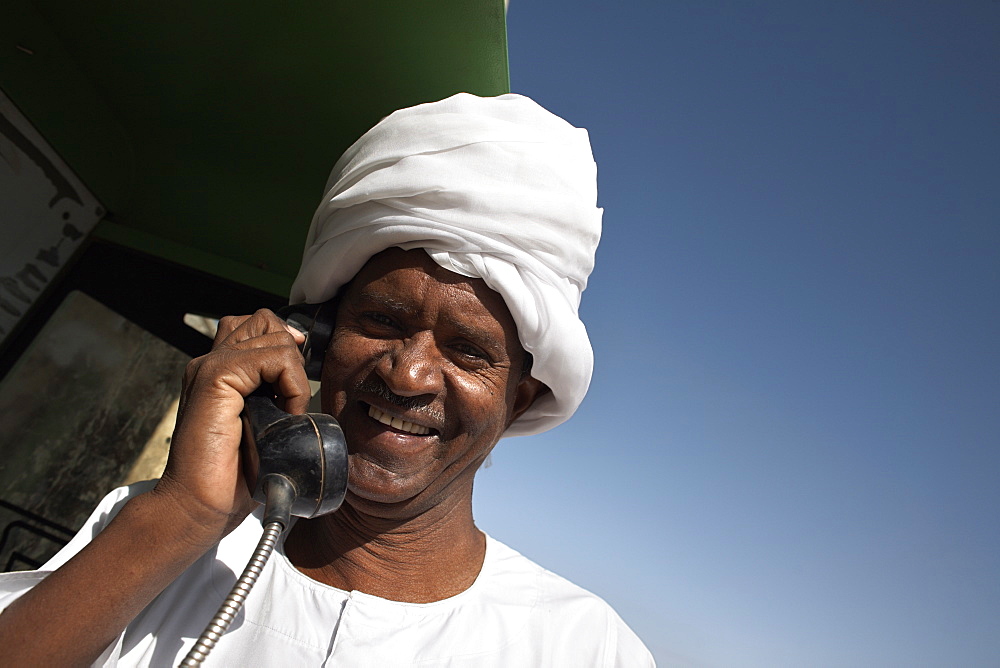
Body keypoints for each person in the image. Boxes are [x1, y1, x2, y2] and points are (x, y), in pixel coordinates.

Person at [0, 93, 654, 665]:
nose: (409, 373)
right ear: (312, 341)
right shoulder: (153, 537)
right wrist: (184, 515)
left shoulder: (584, 646)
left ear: (520, 400)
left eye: (468, 351)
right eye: (382, 320)